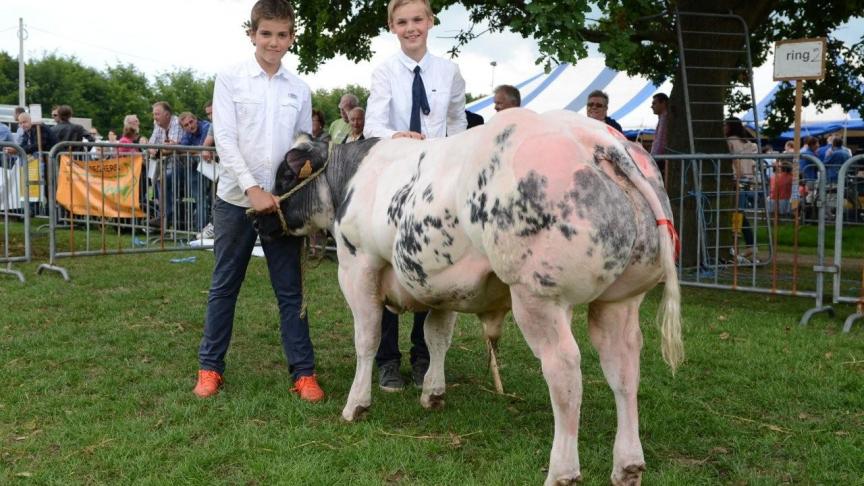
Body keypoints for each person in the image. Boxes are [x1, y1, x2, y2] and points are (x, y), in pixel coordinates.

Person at [194, 0, 324, 402]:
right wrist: (252, 188)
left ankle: (304, 373)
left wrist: (300, 184)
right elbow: (227, 140)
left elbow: (301, 146)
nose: (273, 41)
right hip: (236, 200)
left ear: (291, 37)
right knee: (224, 286)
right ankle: (210, 367)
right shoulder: (230, 78)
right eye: (266, 33)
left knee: (290, 292)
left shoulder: (299, 89)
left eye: (282, 34)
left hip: (281, 205)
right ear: (252, 34)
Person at [364, 0, 467, 391]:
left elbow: (457, 121)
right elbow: (374, 122)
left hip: (436, 178)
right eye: (402, 22)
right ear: (392, 26)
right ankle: (386, 359)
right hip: (394, 175)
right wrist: (397, 136)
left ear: (430, 22)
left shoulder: (449, 71)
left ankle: (424, 356)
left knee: (433, 263)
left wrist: (453, 156)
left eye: (418, 20)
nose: (411, 28)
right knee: (387, 262)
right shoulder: (385, 72)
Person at [724, 117, 759, 263]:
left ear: (730, 127)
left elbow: (735, 160)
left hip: (736, 179)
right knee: (740, 212)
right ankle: (750, 244)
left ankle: (737, 245)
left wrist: (737, 176)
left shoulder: (731, 141)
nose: (723, 128)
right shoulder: (749, 144)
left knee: (736, 212)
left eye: (725, 125)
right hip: (748, 179)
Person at [148, 101, 184, 228]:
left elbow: (171, 147)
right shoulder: (158, 125)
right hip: (165, 165)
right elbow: (150, 146)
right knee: (157, 180)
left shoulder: (176, 123)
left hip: (182, 165)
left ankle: (166, 216)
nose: (155, 117)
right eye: (154, 114)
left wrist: (158, 150)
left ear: (167, 115)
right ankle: (164, 216)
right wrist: (159, 150)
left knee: (161, 180)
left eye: (157, 114)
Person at [179, 112, 213, 233]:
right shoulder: (187, 134)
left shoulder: (206, 126)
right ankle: (201, 229)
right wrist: (196, 151)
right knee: (200, 199)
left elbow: (202, 146)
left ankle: (204, 229)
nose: (190, 126)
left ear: (196, 119)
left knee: (210, 199)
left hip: (212, 168)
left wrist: (192, 150)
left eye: (191, 122)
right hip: (197, 168)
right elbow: (182, 147)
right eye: (186, 125)